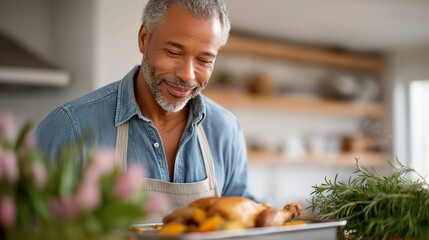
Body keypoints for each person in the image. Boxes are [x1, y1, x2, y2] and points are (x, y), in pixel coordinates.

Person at [36, 0, 254, 222]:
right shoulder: (70, 127)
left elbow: (245, 225)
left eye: (204, 60)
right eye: (173, 52)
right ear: (143, 38)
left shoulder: (226, 130)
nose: (187, 75)